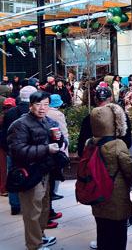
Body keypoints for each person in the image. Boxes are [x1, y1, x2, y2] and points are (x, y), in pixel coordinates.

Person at [8, 91, 63, 250]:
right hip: (29, 173)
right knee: (32, 212)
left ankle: (40, 236)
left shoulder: (46, 121)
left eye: (45, 104)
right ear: (30, 105)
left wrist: (57, 138)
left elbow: (49, 141)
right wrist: (46, 149)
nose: (42, 108)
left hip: (44, 171)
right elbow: (18, 151)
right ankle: (34, 245)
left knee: (43, 208)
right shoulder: (20, 124)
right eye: (38, 104)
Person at [88, 103, 132, 250]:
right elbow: (129, 170)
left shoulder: (89, 142)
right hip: (116, 197)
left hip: (97, 194)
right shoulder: (117, 144)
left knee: (102, 231)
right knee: (118, 234)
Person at [0, 86, 37, 215]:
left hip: (13, 151)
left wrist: (7, 148)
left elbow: (3, 133)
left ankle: (15, 205)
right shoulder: (35, 112)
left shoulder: (10, 113)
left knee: (14, 175)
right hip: (30, 151)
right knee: (32, 176)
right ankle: (29, 205)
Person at [77, 87, 132, 158]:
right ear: (111, 99)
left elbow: (82, 144)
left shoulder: (89, 117)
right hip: (116, 157)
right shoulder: (121, 115)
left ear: (95, 99)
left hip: (95, 159)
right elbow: (128, 141)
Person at [0, 97, 15, 197]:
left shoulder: (2, 117)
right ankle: (4, 188)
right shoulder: (14, 116)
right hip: (7, 146)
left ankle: (3, 188)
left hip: (2, 145)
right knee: (6, 168)